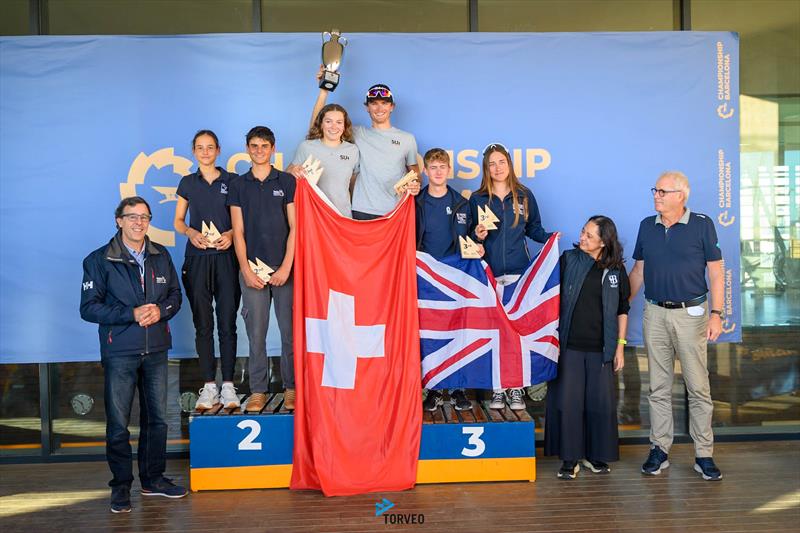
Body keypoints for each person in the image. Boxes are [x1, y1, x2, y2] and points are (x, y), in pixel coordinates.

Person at [80, 196, 186, 513]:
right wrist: (132, 313)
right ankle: (121, 487)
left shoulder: (160, 255)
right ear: (119, 220)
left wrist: (160, 309)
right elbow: (88, 308)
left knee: (158, 421)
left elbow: (175, 296)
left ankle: (153, 480)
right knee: (118, 425)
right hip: (120, 352)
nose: (139, 222)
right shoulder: (98, 260)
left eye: (144, 217)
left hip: (156, 350)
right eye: (132, 217)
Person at [628, 170, 724, 481]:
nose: (656, 195)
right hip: (655, 313)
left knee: (698, 387)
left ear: (681, 195)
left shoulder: (702, 225)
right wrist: (620, 306)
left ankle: (704, 454)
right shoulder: (647, 226)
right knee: (658, 387)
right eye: (655, 190)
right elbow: (639, 272)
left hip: (692, 314)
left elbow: (717, 273)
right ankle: (660, 449)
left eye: (663, 191)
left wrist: (717, 313)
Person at [469, 143, 555, 411]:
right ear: (486, 168)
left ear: (509, 164)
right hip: (489, 274)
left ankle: (515, 388)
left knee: (516, 332)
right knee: (495, 332)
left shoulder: (524, 195)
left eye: (501, 162)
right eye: (492, 164)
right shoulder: (477, 198)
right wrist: (477, 236)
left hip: (519, 274)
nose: (497, 168)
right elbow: (470, 239)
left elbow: (535, 229)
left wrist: (552, 239)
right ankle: (497, 389)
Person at [544, 216, 630, 480]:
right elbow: (546, 292)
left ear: (603, 242)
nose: (583, 237)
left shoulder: (616, 270)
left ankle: (596, 456)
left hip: (601, 349)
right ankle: (570, 460)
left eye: (589, 235)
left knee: (599, 404)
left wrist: (619, 347)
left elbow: (622, 310)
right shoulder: (568, 259)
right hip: (570, 346)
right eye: (583, 232)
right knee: (569, 403)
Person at [228, 126, 297, 412]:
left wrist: (286, 267)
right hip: (253, 271)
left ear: (273, 148)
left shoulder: (287, 181)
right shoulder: (238, 185)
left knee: (289, 332)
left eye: (264, 146)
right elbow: (238, 230)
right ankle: (258, 390)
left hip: (284, 271)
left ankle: (291, 387)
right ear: (247, 148)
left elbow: (296, 227)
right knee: (256, 333)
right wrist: (245, 269)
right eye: (254, 146)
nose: (259, 150)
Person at [416, 148, 488, 412]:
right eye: (432, 167)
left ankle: (457, 388)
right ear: (425, 171)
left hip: (456, 276)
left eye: (441, 167)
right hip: (425, 278)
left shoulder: (461, 202)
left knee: (457, 331)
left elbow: (470, 237)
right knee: (431, 334)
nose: (437, 172)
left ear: (449, 171)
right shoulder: (416, 203)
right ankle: (434, 389)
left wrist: (479, 239)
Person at [174, 130, 241, 410]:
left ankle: (228, 386)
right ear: (193, 151)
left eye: (210, 147)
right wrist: (190, 232)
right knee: (203, 324)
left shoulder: (233, 181)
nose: (205, 152)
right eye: (200, 148)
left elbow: (243, 218)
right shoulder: (188, 182)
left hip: (226, 259)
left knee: (227, 323)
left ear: (218, 150)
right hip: (198, 259)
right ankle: (208, 387)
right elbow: (178, 220)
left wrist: (230, 234)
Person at [311, 72, 420, 219]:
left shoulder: (407, 139)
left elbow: (415, 174)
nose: (379, 108)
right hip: (361, 210)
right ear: (367, 107)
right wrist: (323, 91)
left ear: (392, 106)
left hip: (396, 211)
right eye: (374, 103)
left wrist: (415, 184)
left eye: (384, 103)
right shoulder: (356, 133)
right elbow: (318, 126)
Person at [287, 103, 360, 217]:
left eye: (339, 122)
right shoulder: (307, 146)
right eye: (328, 121)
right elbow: (288, 173)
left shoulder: (352, 150)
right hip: (312, 216)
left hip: (342, 216)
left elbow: (354, 183)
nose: (333, 126)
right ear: (321, 124)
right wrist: (293, 171)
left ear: (345, 126)